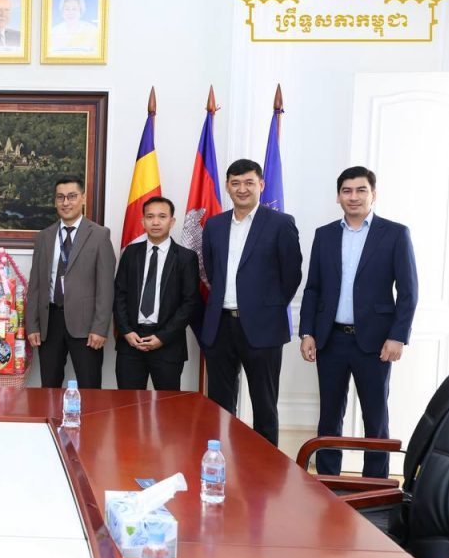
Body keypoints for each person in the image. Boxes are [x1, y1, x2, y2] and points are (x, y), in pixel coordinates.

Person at [299, 167, 417, 478]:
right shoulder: (325, 235)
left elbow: (408, 292)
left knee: (375, 419)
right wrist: (307, 332)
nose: (354, 196)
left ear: (373, 194)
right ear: (338, 197)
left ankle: (375, 486)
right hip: (331, 340)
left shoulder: (395, 234)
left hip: (376, 343)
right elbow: (313, 288)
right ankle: (327, 482)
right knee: (329, 417)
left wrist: (398, 336)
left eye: (361, 190)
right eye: (347, 191)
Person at [201, 159, 303, 446]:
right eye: (235, 183)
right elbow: (211, 269)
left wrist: (266, 308)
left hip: (263, 327)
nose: (242, 189)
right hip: (220, 326)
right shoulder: (214, 225)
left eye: (248, 182)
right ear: (227, 187)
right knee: (219, 404)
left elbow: (291, 275)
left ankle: (265, 467)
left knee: (264, 404)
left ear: (261, 184)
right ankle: (222, 460)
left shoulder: (281, 223)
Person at [26, 176, 115, 389]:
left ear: (83, 198)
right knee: (49, 387)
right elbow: (35, 284)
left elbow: (106, 287)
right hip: (50, 322)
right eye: (60, 197)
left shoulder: (99, 235)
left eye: (72, 196)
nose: (66, 202)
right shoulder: (44, 237)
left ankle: (89, 415)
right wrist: (32, 325)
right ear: (55, 201)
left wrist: (100, 328)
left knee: (90, 387)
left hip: (86, 326)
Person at [113, 196, 200, 390]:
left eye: (162, 216)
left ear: (172, 221)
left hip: (168, 343)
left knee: (167, 404)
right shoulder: (130, 253)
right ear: (142, 221)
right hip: (131, 342)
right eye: (150, 216)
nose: (155, 222)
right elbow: (119, 294)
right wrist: (126, 331)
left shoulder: (186, 257)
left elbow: (190, 302)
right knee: (128, 403)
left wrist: (163, 337)